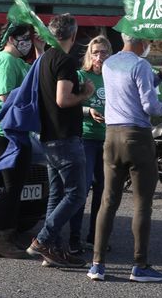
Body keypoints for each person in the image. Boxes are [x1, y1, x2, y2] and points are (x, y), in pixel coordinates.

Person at [87, 33, 162, 283]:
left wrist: (160, 76)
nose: (149, 45)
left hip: (111, 136)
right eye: (148, 41)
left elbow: (127, 90)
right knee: (142, 202)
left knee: (108, 200)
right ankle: (140, 264)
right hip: (137, 137)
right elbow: (149, 106)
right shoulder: (140, 64)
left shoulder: (110, 63)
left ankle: (97, 264)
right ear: (140, 42)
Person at [26, 14, 95, 268]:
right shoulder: (64, 61)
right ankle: (43, 240)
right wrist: (85, 93)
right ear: (74, 36)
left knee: (56, 195)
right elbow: (62, 99)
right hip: (65, 137)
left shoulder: (45, 58)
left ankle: (52, 250)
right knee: (76, 194)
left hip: (48, 137)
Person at [0, 23, 42, 259]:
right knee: (11, 189)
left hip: (16, 132)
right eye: (25, 38)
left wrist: (39, 49)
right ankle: (3, 240)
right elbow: (7, 97)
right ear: (12, 38)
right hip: (6, 132)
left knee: (15, 187)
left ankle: (9, 234)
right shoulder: (6, 60)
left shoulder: (16, 60)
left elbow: (39, 75)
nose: (27, 41)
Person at [67, 35, 111, 256]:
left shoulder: (112, 77)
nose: (99, 56)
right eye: (95, 52)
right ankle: (74, 238)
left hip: (108, 140)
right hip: (86, 138)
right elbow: (67, 104)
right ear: (89, 55)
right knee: (82, 189)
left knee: (104, 192)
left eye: (103, 52)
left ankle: (96, 237)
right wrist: (88, 111)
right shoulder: (80, 76)